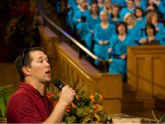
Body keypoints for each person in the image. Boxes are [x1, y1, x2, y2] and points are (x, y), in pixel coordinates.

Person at [7, 47, 76, 123]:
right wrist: (63, 102)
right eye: (41, 61)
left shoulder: (44, 98)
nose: (47, 64)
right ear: (27, 70)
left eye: (47, 60)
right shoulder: (20, 98)